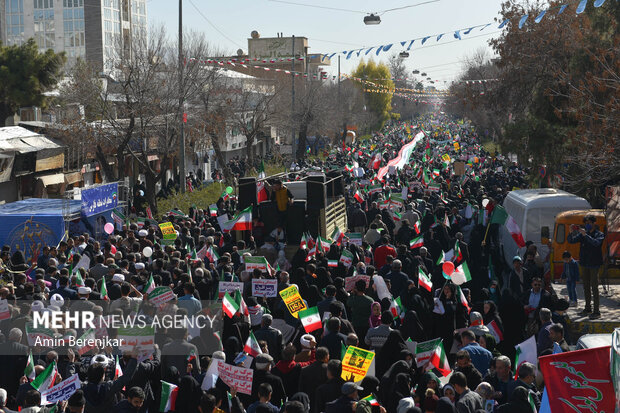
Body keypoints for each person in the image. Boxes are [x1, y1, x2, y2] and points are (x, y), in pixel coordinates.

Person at [567, 214, 605, 319]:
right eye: (586, 223)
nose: (587, 225)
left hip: (594, 264)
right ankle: (588, 308)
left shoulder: (599, 234)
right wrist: (571, 232)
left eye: (589, 223)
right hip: (584, 263)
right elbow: (571, 240)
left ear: (594, 223)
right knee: (586, 287)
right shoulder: (583, 234)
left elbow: (596, 243)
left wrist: (585, 235)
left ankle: (596, 311)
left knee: (594, 287)